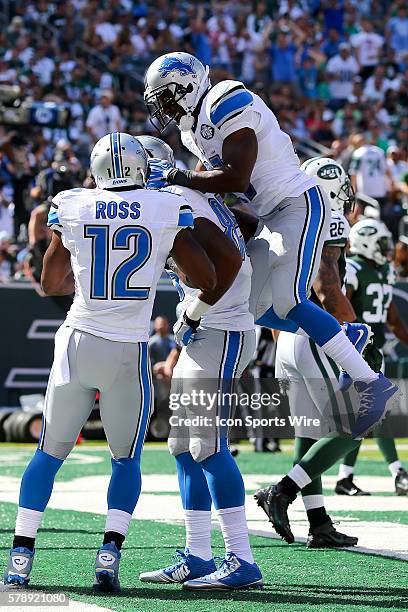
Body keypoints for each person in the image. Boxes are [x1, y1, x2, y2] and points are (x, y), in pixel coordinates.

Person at [3, 133, 222, 593]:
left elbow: (51, 282)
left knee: (48, 452)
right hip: (127, 349)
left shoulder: (73, 203)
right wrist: (160, 259)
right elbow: (205, 277)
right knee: (125, 458)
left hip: (78, 340)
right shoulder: (164, 207)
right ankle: (109, 553)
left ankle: (21, 556)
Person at [143, 51, 398, 439]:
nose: (163, 107)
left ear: (189, 87)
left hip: (297, 204)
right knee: (247, 304)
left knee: (289, 299)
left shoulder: (225, 98)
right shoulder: (191, 131)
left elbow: (235, 178)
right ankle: (346, 337)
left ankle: (371, 383)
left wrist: (180, 178)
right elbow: (230, 188)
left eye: (166, 96)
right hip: (269, 215)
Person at [137, 136, 263, 590]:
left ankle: (242, 559)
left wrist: (197, 309)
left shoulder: (175, 196)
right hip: (210, 329)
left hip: (222, 328)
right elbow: (244, 230)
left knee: (207, 445)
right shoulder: (185, 196)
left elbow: (230, 258)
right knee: (183, 446)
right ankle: (198, 554)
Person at [252, 157, 362, 546]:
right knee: (360, 420)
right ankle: (282, 490)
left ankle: (319, 523)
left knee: (309, 430)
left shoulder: (284, 216)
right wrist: (349, 335)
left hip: (288, 336)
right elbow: (326, 283)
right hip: (317, 331)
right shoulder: (327, 215)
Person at [334, 219, 408, 497]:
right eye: (382, 243)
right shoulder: (352, 270)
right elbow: (341, 310)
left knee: (367, 414)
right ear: (365, 241)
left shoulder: (384, 271)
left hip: (373, 351)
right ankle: (398, 472)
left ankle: (345, 477)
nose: (387, 249)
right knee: (375, 410)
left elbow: (393, 320)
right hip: (355, 349)